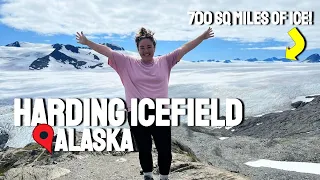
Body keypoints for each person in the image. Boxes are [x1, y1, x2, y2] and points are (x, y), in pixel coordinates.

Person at [76, 27, 214, 180]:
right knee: (144, 148)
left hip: (160, 112)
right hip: (137, 111)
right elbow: (107, 51)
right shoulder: (127, 63)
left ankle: (164, 177)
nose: (146, 50)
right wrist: (87, 42)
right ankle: (147, 175)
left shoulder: (165, 61)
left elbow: (184, 48)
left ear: (154, 47)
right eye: (142, 48)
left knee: (164, 149)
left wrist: (202, 36)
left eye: (149, 47)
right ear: (137, 49)